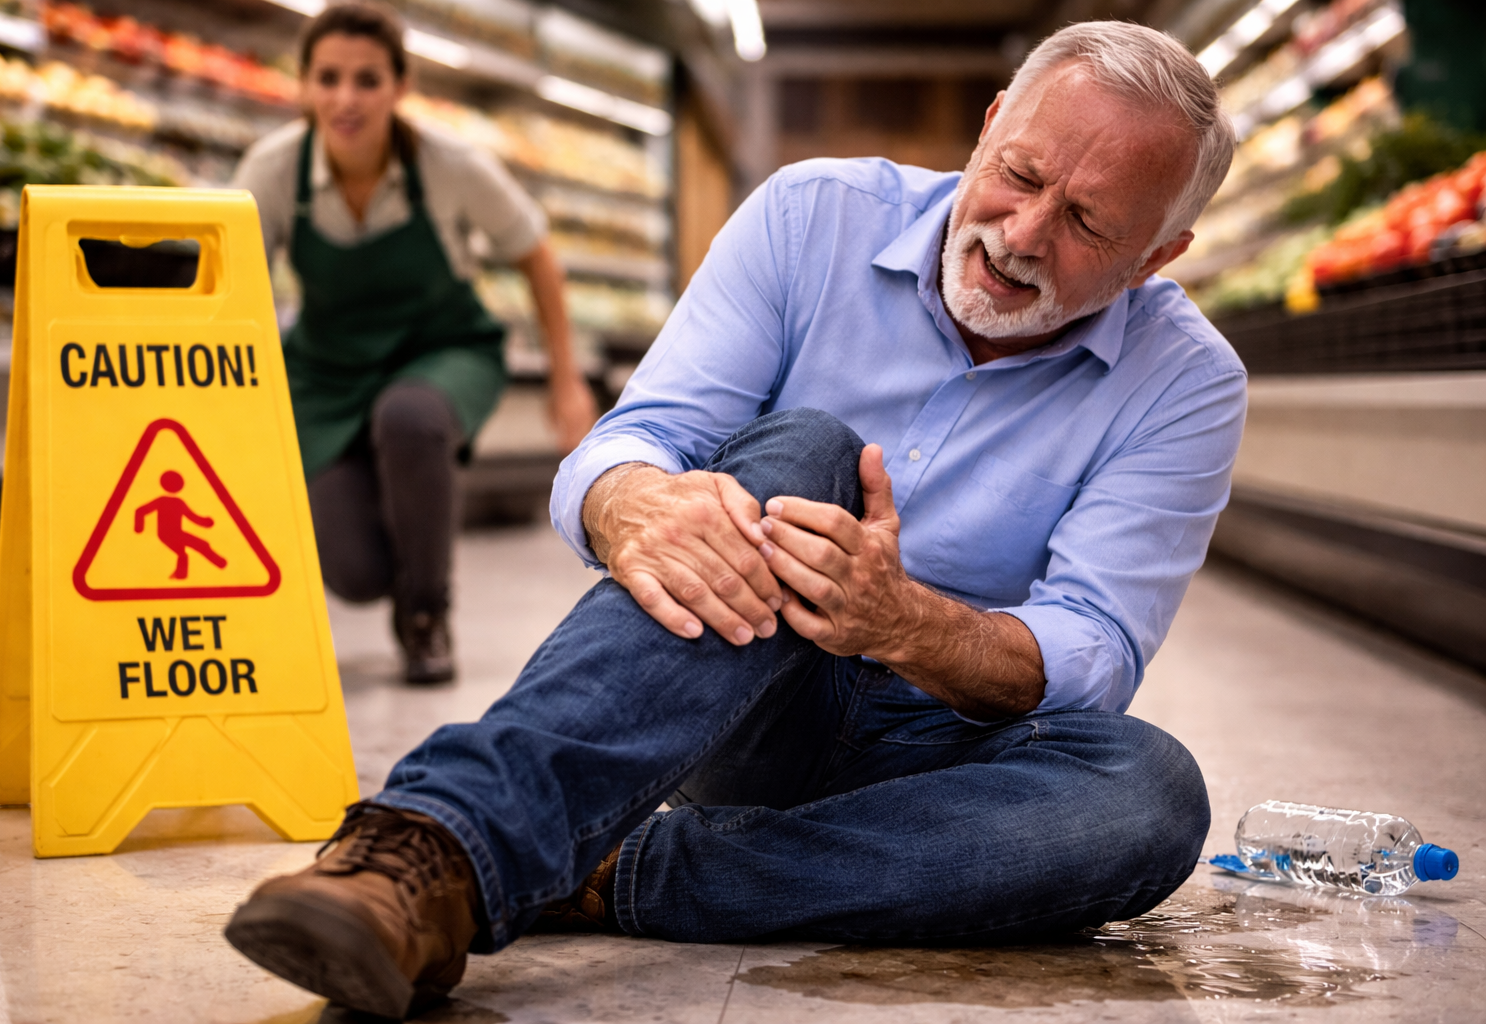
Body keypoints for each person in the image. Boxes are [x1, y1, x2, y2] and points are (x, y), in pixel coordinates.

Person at [224, 22, 1247, 1020]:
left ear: (1158, 254)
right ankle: (435, 847)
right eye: (1019, 176)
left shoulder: (1188, 381)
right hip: (739, 676)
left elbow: (1099, 641)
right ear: (987, 129)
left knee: (1151, 795)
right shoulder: (813, 216)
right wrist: (633, 502)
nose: (1021, 236)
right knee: (810, 452)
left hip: (941, 747)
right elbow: (636, 441)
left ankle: (604, 869)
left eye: (1085, 223)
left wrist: (903, 622)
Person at [230, 3, 599, 684]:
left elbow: (537, 255)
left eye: (367, 80)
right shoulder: (275, 170)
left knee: (409, 418)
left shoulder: (449, 165)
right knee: (357, 573)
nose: (346, 99)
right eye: (329, 78)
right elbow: (230, 281)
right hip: (328, 369)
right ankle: (399, 562)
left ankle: (427, 614)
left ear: (400, 88)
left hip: (443, 349)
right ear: (304, 85)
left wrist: (566, 380)